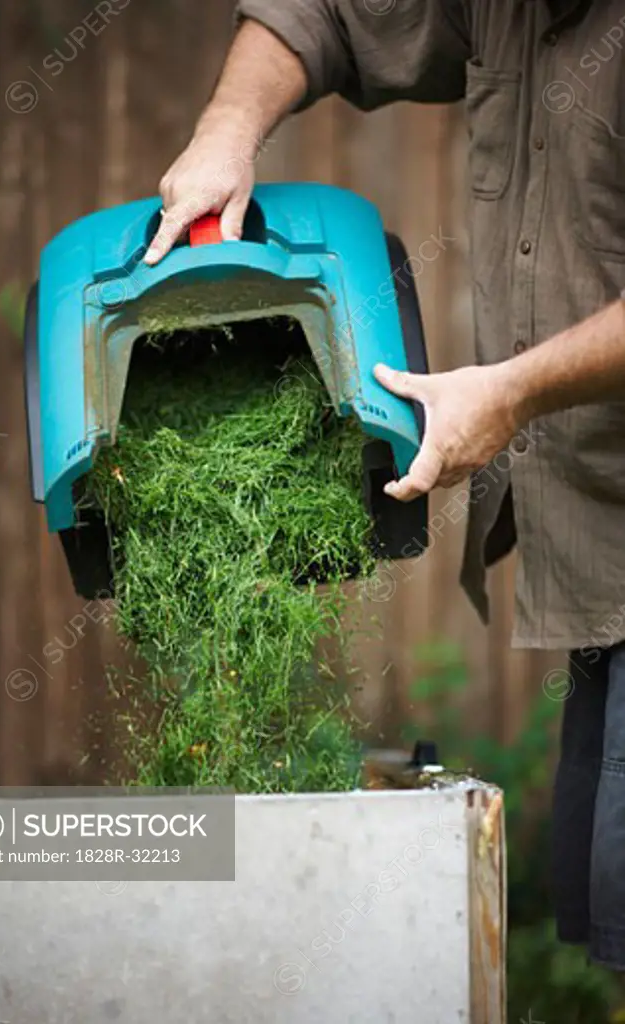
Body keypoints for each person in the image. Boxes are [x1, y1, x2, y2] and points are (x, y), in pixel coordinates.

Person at [143, 1, 625, 970]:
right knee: (608, 919)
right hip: (603, 562)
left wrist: (513, 388)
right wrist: (224, 134)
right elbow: (321, 12)